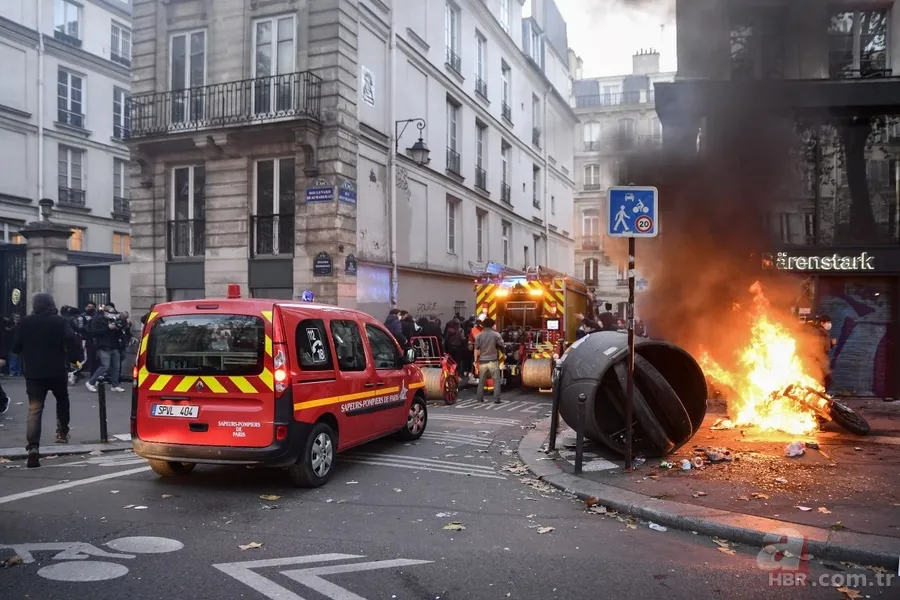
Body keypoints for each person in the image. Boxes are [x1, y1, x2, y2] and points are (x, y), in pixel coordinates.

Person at [12, 293, 80, 468]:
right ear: (51, 304)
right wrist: (74, 359)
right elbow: (71, 339)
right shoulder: (59, 321)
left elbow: (16, 346)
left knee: (35, 408)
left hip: (34, 372)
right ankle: (62, 432)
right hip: (57, 369)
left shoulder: (25, 322)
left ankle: (33, 447)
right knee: (62, 398)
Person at [85, 304, 126, 393]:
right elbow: (95, 332)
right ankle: (91, 382)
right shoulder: (97, 320)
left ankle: (115, 385)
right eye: (110, 313)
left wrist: (118, 328)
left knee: (116, 366)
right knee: (105, 366)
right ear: (105, 312)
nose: (112, 314)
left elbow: (119, 333)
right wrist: (108, 328)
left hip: (114, 345)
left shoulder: (114, 319)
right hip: (103, 346)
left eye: (113, 313)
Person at [474, 317, 503, 404]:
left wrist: (475, 360)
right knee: (496, 380)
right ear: (492, 325)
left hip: (482, 361)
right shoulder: (496, 335)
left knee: (481, 380)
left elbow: (476, 348)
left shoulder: (479, 335)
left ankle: (479, 398)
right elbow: (502, 345)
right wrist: (503, 354)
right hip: (493, 361)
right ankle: (497, 399)